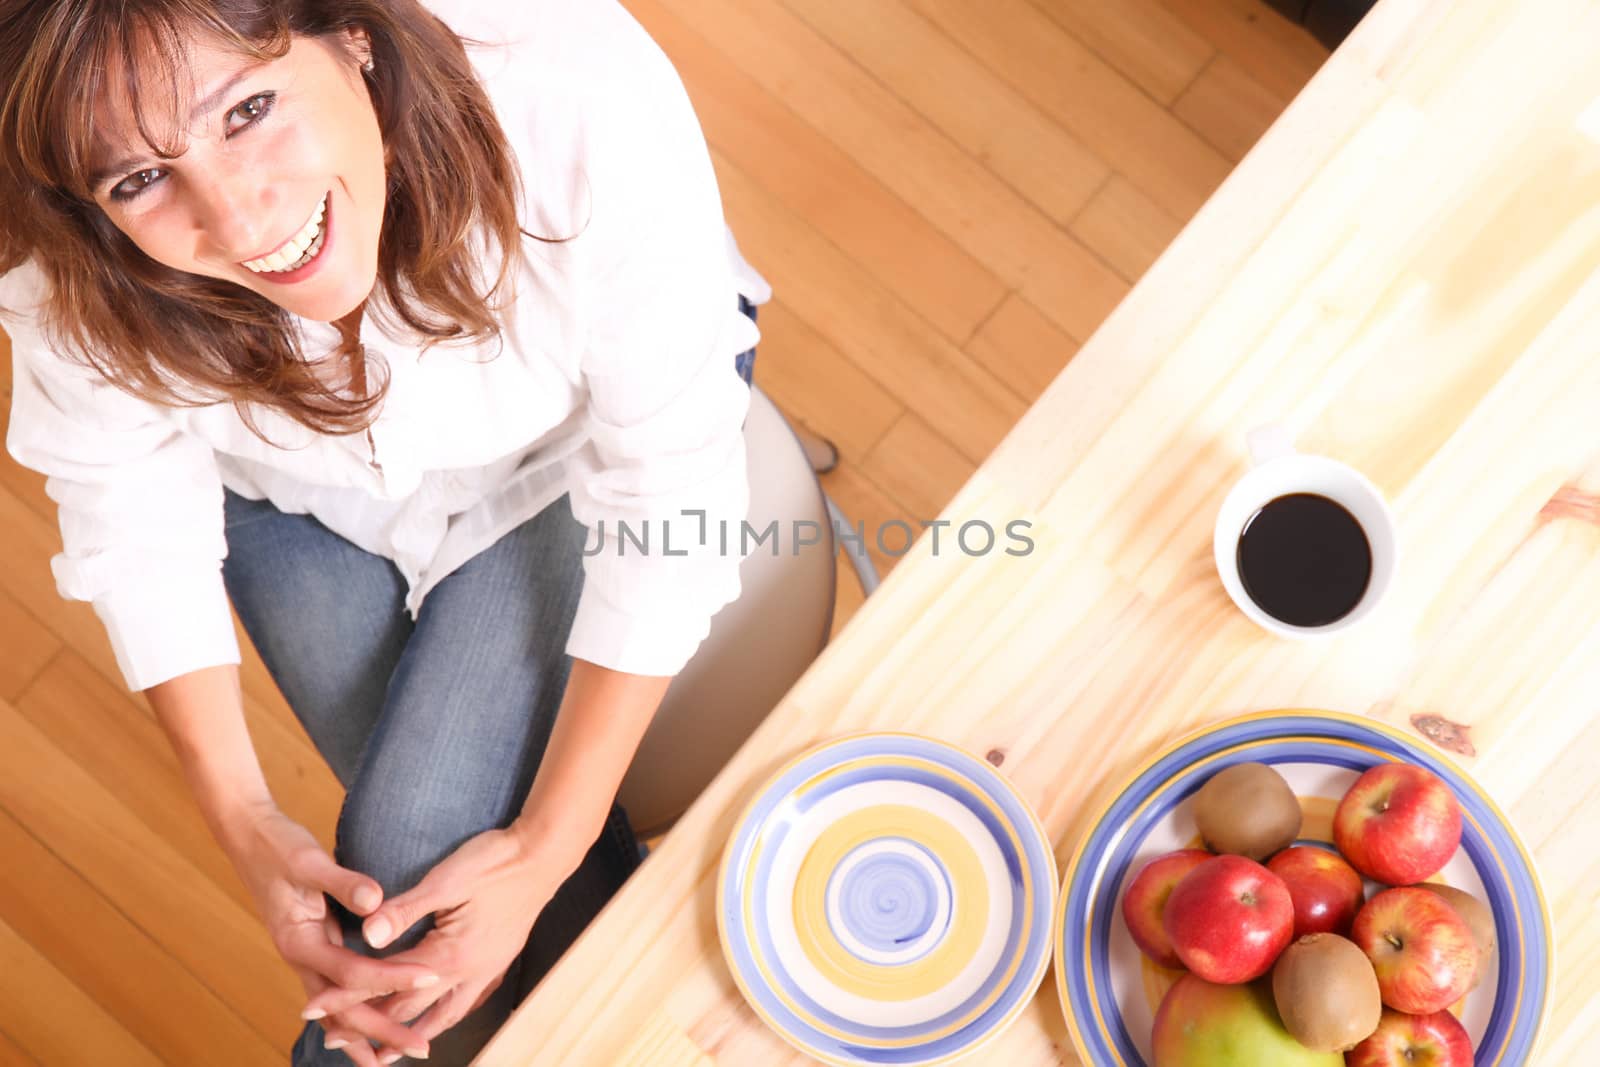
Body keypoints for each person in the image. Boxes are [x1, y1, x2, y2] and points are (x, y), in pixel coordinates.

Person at [0, 0, 769, 1063]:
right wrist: (243, 821)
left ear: (350, 34)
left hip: (565, 451)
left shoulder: (572, 96)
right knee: (437, 872)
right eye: (139, 178)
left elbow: (667, 495)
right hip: (294, 485)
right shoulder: (69, 264)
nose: (237, 221)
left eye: (249, 109)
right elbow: (128, 511)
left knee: (404, 858)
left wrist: (551, 843)